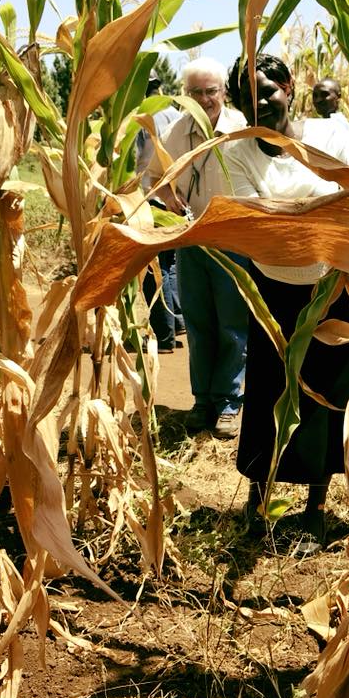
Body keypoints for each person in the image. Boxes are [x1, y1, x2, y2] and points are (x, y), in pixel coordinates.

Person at [225, 54, 349, 556]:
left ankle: (316, 507)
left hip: (332, 288)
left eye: (266, 89)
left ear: (289, 87)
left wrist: (297, 220)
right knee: (269, 391)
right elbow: (255, 222)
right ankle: (258, 499)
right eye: (245, 96)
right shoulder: (239, 152)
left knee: (327, 395)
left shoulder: (329, 136)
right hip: (273, 290)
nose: (257, 102)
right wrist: (316, 211)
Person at [149, 57, 249, 439]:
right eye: (196, 92)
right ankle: (203, 400)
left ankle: (229, 402)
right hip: (192, 238)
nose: (204, 99)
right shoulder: (176, 131)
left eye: (211, 91)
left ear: (223, 91)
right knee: (199, 323)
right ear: (185, 95)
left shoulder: (240, 128)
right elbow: (156, 176)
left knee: (232, 324)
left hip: (232, 238)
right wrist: (171, 201)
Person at [137, 69, 185, 353]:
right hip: (175, 199)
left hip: (150, 198)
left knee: (156, 270)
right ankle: (178, 323)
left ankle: (163, 336)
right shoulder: (178, 115)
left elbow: (134, 160)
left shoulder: (145, 116)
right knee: (171, 264)